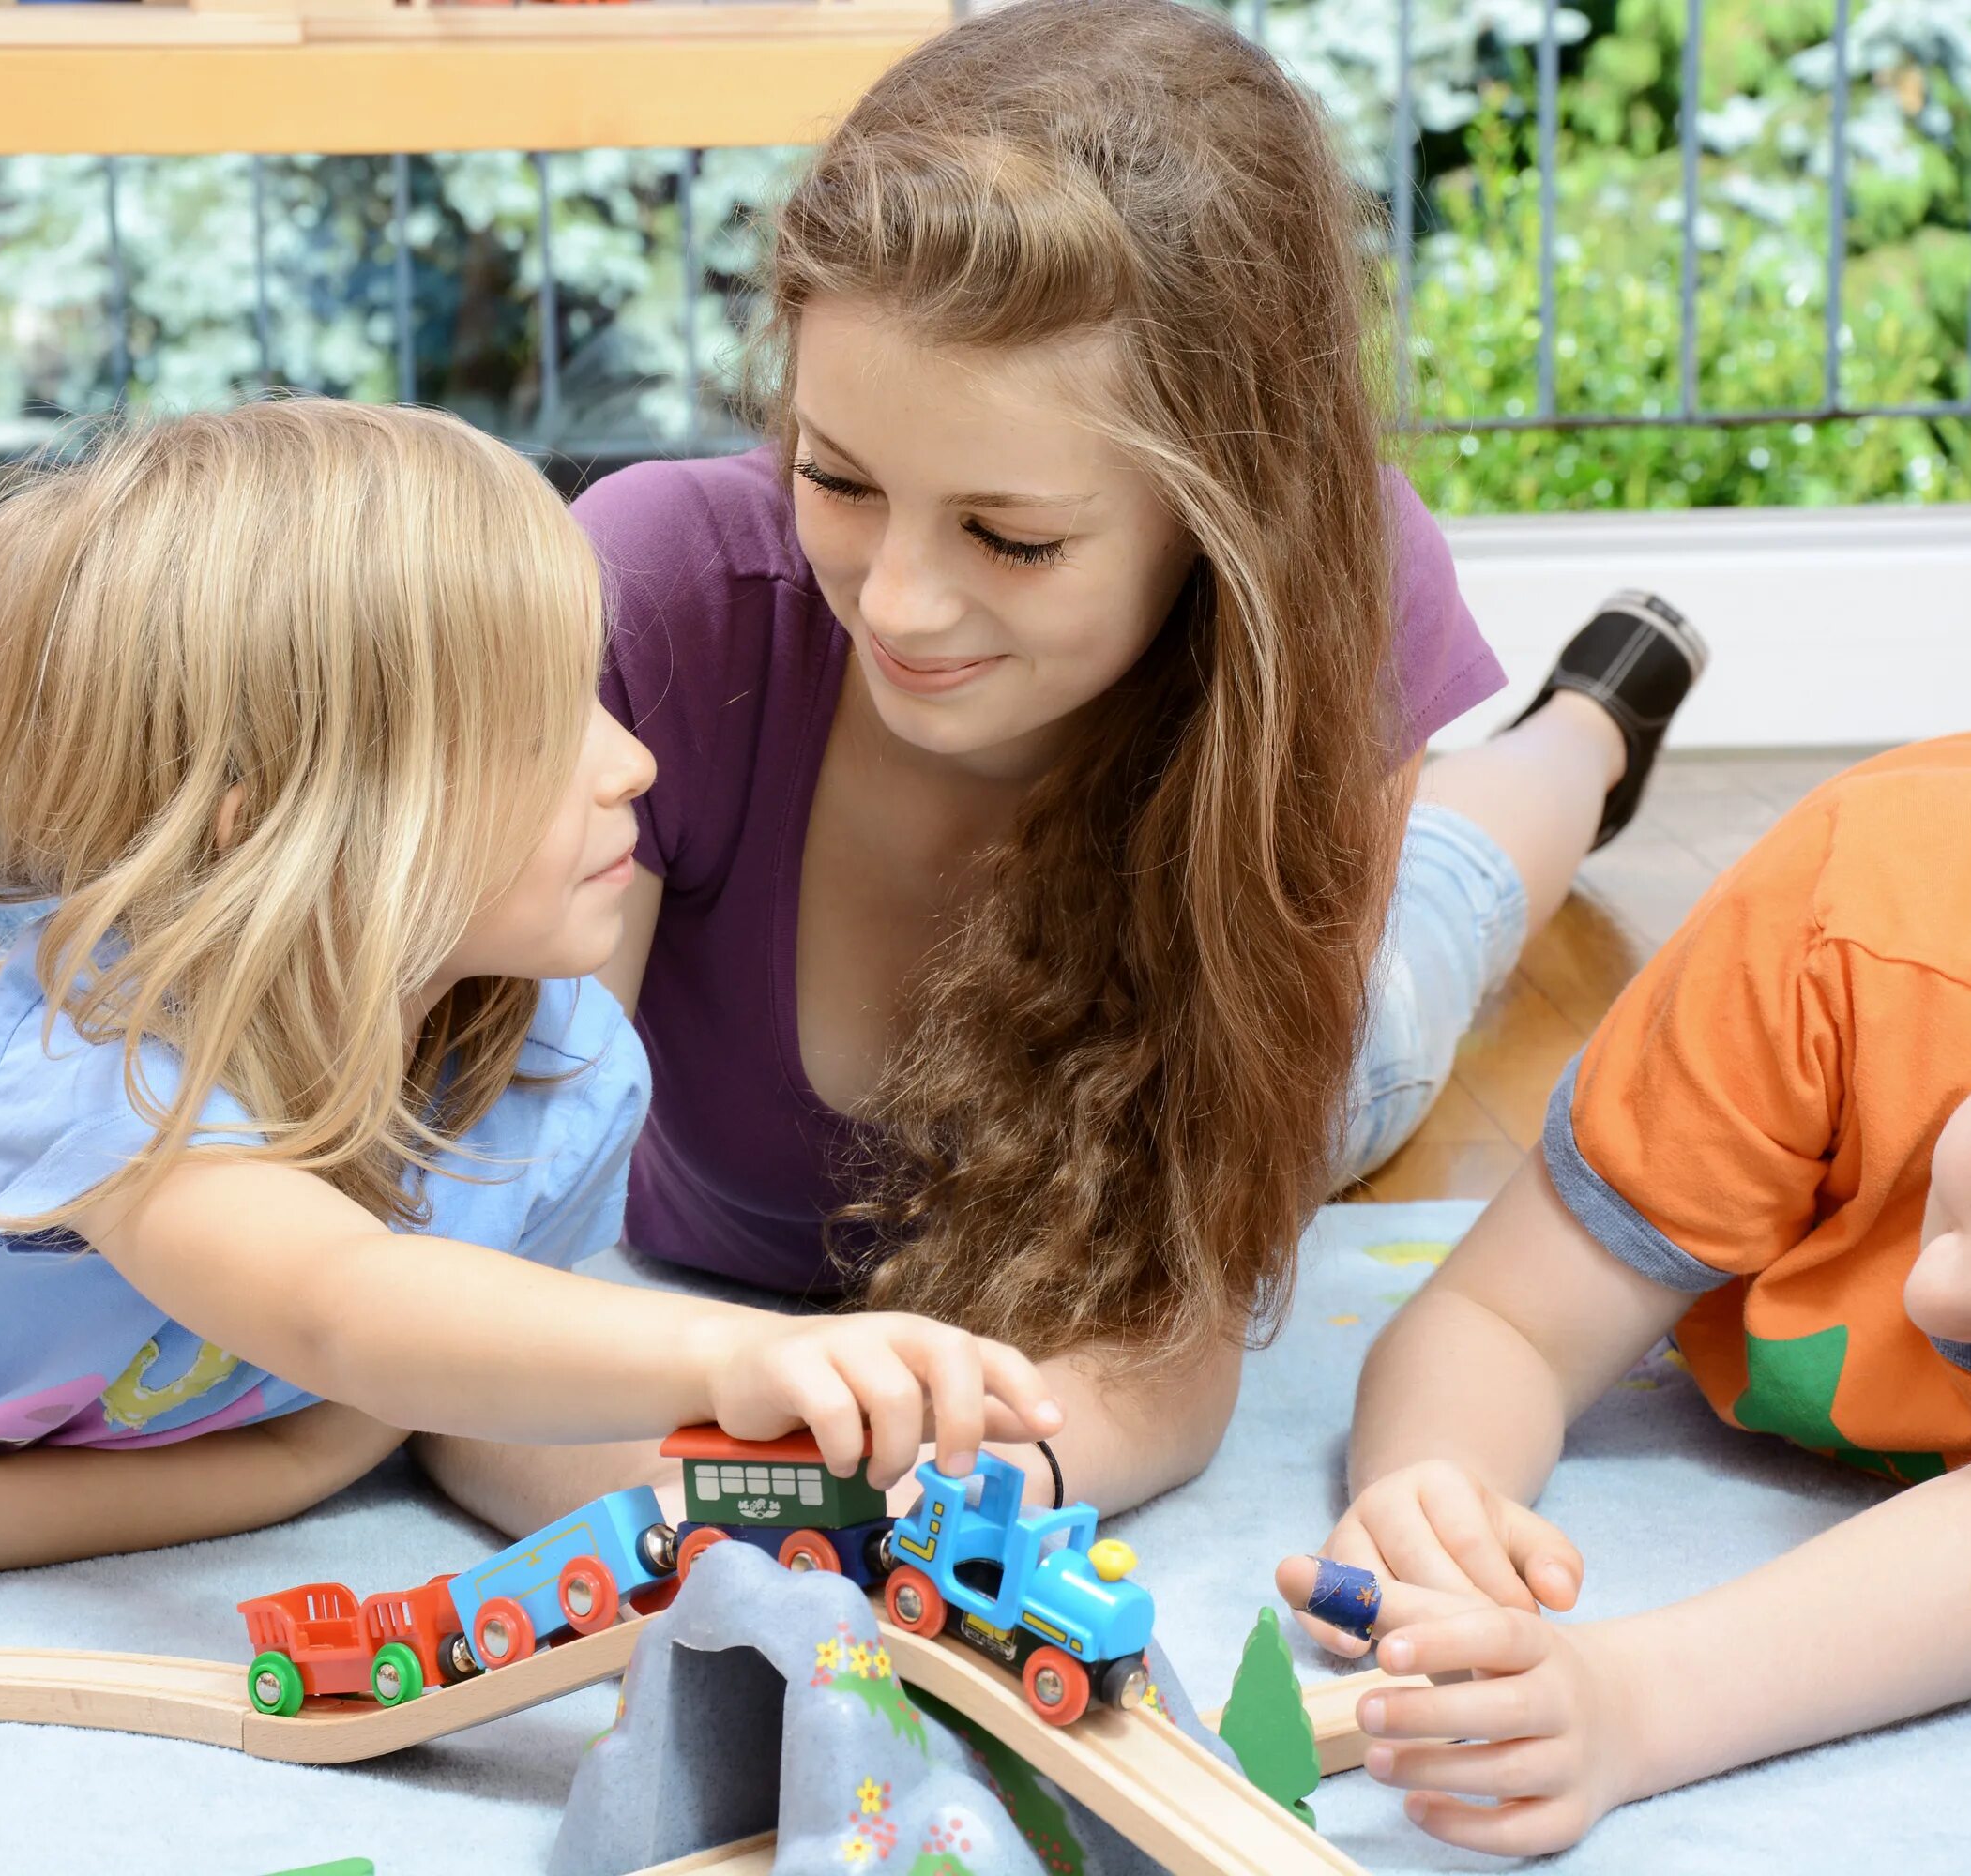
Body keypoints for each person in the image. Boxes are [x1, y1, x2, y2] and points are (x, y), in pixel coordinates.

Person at [424, 0, 1707, 1535]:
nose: (895, 601)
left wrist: (946, 1504)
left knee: (1442, 919)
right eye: (834, 477)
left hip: (1298, 1022)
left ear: (1216, 516)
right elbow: (456, 1313)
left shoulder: (1325, 612)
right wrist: (768, 1524)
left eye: (1012, 537)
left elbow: (1163, 1363)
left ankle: (1589, 726)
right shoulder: (660, 599)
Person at [0, 398, 1054, 1580]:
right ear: (304, 822)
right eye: (549, 724)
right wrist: (716, 1361)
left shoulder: (555, 1073)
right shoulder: (126, 1082)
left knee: (61, 915)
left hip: (42, 1035)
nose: (633, 762)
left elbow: (330, 1432)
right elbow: (337, 1308)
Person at [1285, 726, 1971, 1855]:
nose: (1927, 1298)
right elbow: (1507, 1319)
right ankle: (1583, 731)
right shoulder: (1855, 935)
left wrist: (1631, 1703)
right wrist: (1442, 1477)